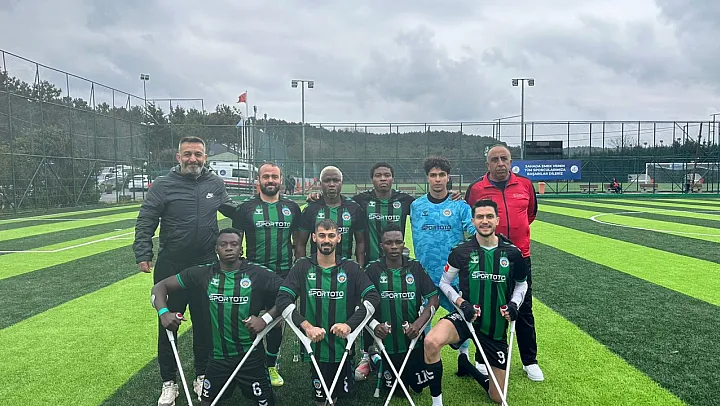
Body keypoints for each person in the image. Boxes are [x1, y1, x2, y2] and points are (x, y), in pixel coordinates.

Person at [133, 136, 237, 405]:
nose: (193, 159)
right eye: (188, 154)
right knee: (168, 324)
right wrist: (143, 254)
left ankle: (202, 375)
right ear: (178, 157)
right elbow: (146, 219)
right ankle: (169, 382)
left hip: (205, 266)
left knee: (205, 324)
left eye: (198, 154)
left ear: (205, 158)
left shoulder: (215, 183)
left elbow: (233, 210)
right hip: (172, 266)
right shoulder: (163, 184)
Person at [150, 228, 282, 406]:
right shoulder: (202, 273)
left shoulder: (258, 273)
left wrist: (265, 319)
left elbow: (288, 292)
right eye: (223, 244)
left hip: (251, 357)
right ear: (216, 249)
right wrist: (164, 313)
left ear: (241, 249)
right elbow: (159, 287)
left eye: (234, 244)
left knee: (266, 401)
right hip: (217, 359)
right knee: (207, 402)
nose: (229, 248)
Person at [422, 200, 529, 405]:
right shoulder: (460, 251)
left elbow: (521, 284)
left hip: (495, 326)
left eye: (489, 216)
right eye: (480, 217)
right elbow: (444, 283)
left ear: (497, 220)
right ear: (473, 221)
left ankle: (467, 365)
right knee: (431, 341)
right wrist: (462, 303)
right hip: (466, 318)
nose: (485, 221)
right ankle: (437, 402)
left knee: (498, 397)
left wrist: (514, 305)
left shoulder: (513, 253)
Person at [275, 219, 381, 405]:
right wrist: (307, 327)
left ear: (338, 238)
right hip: (315, 345)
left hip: (343, 344)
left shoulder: (351, 268)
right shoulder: (302, 266)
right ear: (314, 237)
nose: (326, 240)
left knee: (344, 392)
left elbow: (373, 297)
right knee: (323, 398)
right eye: (322, 235)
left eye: (331, 235)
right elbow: (283, 299)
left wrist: (349, 325)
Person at [464, 145, 544, 381]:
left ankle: (529, 360)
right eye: (495, 160)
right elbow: (471, 216)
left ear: (511, 162)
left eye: (504, 159)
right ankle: (482, 358)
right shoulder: (476, 188)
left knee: (523, 308)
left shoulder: (525, 185)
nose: (500, 163)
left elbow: (530, 214)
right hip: (487, 257)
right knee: (485, 309)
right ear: (487, 164)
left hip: (520, 256)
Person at [230, 162, 302, 387]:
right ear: (258, 180)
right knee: (247, 320)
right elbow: (235, 242)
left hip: (282, 275)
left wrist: (298, 271)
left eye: (274, 176)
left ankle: (271, 366)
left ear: (281, 180)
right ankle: (250, 363)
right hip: (252, 275)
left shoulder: (292, 208)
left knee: (275, 322)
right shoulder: (246, 208)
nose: (270, 180)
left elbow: (299, 243)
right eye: (266, 176)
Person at [410, 156, 476, 375]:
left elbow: (473, 231)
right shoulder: (416, 206)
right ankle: (424, 360)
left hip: (453, 274)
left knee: (462, 314)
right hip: (425, 274)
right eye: (433, 175)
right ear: (427, 178)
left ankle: (463, 356)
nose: (437, 179)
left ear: (448, 177)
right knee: (424, 316)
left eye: (441, 175)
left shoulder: (460, 205)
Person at [365, 223, 439, 395]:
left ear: (403, 244)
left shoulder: (415, 267)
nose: (394, 247)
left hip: (412, 342)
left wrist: (418, 325)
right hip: (387, 342)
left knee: (417, 388)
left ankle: (375, 359)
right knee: (396, 390)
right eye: (388, 243)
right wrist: (375, 325)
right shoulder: (373, 269)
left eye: (398, 242)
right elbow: (360, 303)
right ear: (381, 245)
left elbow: (434, 298)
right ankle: (376, 358)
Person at [296, 166, 366, 266]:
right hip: (316, 268)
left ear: (341, 183)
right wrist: (301, 269)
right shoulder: (310, 208)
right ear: (320, 184)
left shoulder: (354, 208)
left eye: (336, 180)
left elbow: (360, 242)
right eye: (327, 181)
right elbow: (301, 243)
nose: (332, 184)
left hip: (346, 268)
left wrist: (360, 268)